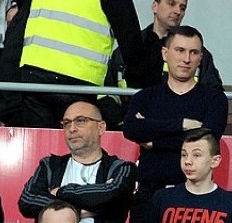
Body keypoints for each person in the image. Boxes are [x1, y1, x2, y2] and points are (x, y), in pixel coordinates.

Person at [122, 25, 228, 223]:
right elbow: (131, 129)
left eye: (194, 52)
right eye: (180, 50)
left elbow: (206, 140)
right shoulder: (146, 96)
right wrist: (181, 125)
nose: (186, 58)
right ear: (165, 53)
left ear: (201, 58)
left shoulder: (214, 99)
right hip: (148, 197)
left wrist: (154, 140)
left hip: (193, 200)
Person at [17, 0, 142, 128]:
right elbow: (131, 43)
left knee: (41, 144)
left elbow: (18, 26)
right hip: (78, 80)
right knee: (77, 144)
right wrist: (141, 92)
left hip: (34, 76)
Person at [116, 0, 222, 89]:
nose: (178, 11)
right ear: (155, 6)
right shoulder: (130, 45)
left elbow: (214, 93)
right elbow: (109, 91)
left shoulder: (196, 52)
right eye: (171, 4)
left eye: (183, 8)